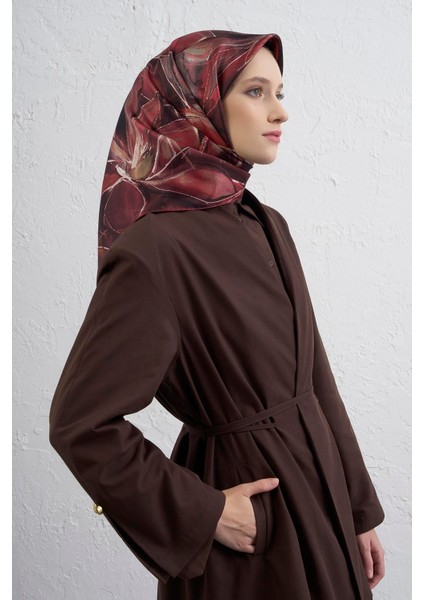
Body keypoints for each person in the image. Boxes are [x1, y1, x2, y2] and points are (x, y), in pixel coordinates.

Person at [49, 30, 386, 600]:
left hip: (322, 504)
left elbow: (314, 378)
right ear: (195, 104)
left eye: (280, 92)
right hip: (255, 535)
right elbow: (80, 423)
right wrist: (205, 513)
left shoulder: (265, 222)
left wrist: (357, 509)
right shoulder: (153, 250)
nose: (280, 111)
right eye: (256, 91)